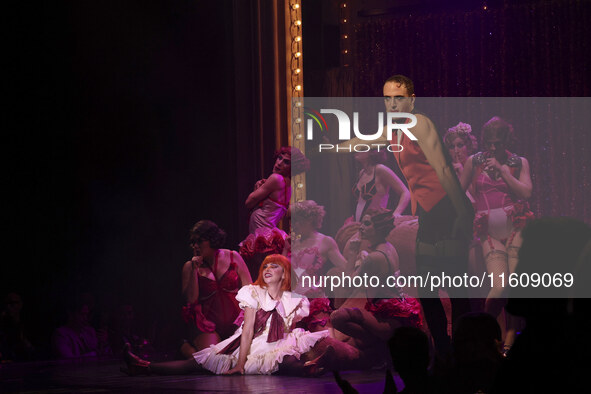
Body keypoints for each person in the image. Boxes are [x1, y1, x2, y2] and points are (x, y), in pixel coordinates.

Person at [123, 254, 330, 376]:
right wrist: (240, 363)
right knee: (198, 362)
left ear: (284, 273)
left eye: (274, 266)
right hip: (250, 342)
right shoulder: (254, 293)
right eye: (265, 265)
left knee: (285, 358)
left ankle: (310, 368)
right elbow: (248, 329)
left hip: (277, 341)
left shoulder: (295, 300)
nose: (267, 269)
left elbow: (287, 330)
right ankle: (144, 366)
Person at [459, 117, 533, 352]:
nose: (492, 148)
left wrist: (503, 171)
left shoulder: (518, 161)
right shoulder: (475, 161)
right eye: (489, 143)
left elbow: (526, 192)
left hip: (516, 228)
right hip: (488, 233)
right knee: (501, 286)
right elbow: (458, 192)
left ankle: (508, 344)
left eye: (498, 144)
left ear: (506, 141)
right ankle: (483, 332)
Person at [330, 209, 422, 367]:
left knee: (337, 318)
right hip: (394, 309)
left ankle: (379, 349)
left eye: (366, 224)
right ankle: (378, 349)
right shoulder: (388, 247)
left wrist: (352, 253)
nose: (361, 228)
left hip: (391, 317)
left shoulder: (375, 257)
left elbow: (347, 284)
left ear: (378, 228)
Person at [181, 220, 252, 357]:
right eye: (193, 242)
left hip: (236, 322)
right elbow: (191, 299)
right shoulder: (189, 267)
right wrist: (194, 271)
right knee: (211, 359)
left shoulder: (233, 257)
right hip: (208, 325)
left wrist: (246, 318)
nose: (195, 246)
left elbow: (250, 290)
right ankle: (186, 349)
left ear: (212, 240)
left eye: (200, 241)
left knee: (243, 356)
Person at [241, 146, 310, 278]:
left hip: (261, 236)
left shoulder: (276, 179)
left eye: (286, 162)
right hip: (268, 234)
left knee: (261, 276)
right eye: (279, 158)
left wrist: (257, 188)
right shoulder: (288, 185)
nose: (279, 163)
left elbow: (249, 202)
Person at [290, 200, 348, 297]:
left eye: (297, 221)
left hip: (313, 300)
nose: (293, 225)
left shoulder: (325, 242)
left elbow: (345, 268)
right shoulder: (292, 243)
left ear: (309, 220)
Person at [350, 149, 410, 223]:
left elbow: (405, 192)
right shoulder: (362, 172)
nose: (356, 150)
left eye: (361, 148)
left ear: (371, 152)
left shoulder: (380, 169)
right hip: (359, 223)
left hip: (376, 224)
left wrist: (397, 213)